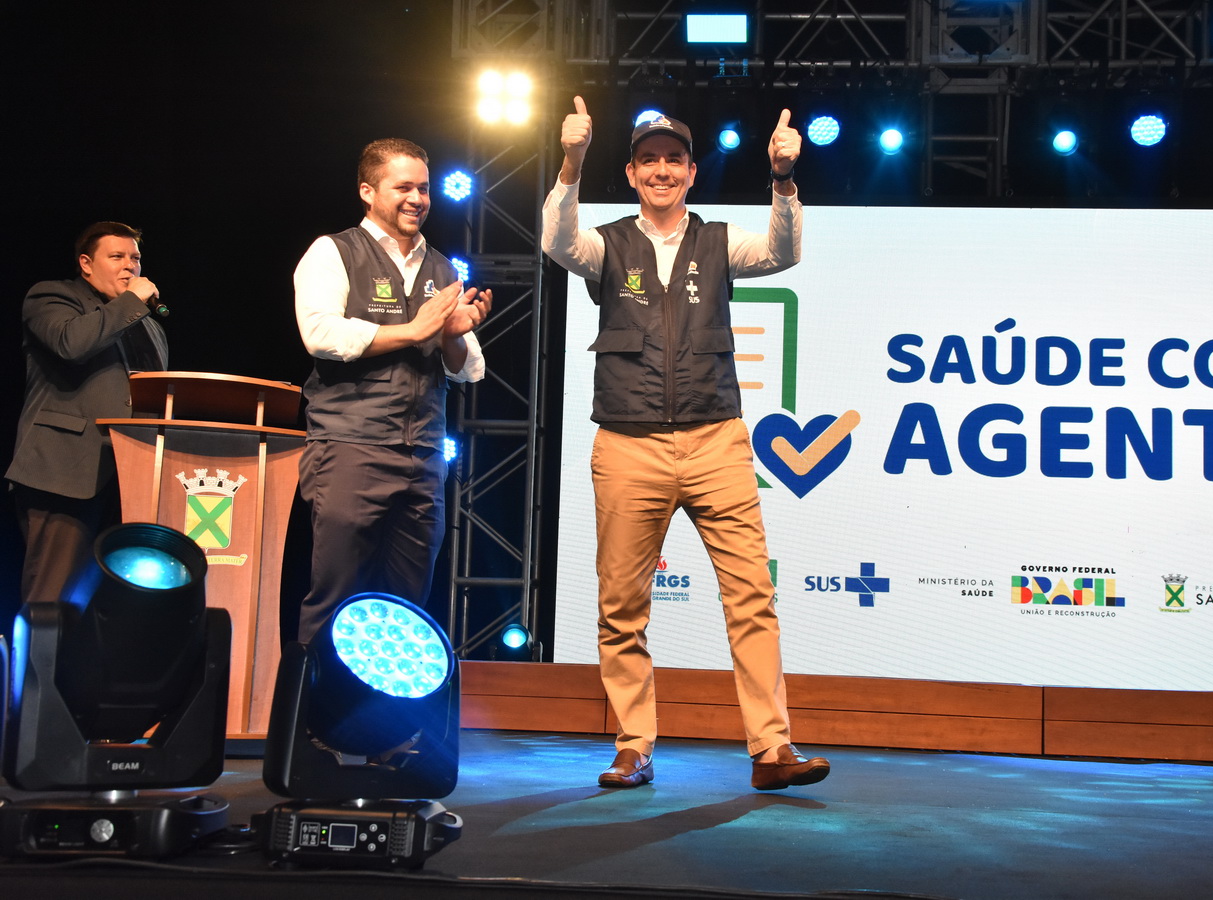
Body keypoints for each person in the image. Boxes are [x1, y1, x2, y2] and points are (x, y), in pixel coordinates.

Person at [541, 98, 831, 791]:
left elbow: (783, 252)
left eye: (674, 159)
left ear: (692, 172)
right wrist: (570, 162)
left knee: (752, 596)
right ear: (632, 173)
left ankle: (770, 750)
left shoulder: (719, 239)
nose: (662, 170)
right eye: (649, 160)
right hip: (628, 444)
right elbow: (557, 243)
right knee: (621, 603)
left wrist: (784, 180)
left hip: (715, 440)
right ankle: (633, 744)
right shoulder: (606, 244)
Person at [294, 137, 492, 641]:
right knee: (336, 595)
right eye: (403, 186)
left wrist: (450, 336)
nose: (417, 198)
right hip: (350, 445)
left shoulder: (442, 267)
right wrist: (414, 330)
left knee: (406, 602)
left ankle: (384, 721)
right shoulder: (333, 251)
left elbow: (467, 370)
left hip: (423, 453)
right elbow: (320, 334)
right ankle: (313, 717)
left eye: (424, 188)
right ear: (367, 190)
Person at [7, 221, 169, 606]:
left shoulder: (148, 326)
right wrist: (131, 303)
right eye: (117, 257)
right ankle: (37, 669)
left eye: (136, 259)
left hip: (132, 479)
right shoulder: (52, 296)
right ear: (86, 263)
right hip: (66, 472)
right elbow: (71, 343)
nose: (130, 266)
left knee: (111, 605)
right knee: (54, 598)